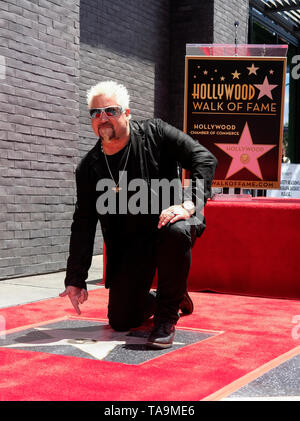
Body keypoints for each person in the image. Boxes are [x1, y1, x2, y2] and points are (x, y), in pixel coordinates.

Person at [60, 80, 217, 349]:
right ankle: (172, 295)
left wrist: (190, 203)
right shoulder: (89, 167)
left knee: (177, 230)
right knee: (121, 320)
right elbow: (83, 223)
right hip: (131, 245)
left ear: (127, 113)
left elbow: (204, 158)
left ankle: (166, 318)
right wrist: (76, 278)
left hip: (167, 227)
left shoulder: (156, 133)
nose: (103, 118)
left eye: (110, 110)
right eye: (95, 113)